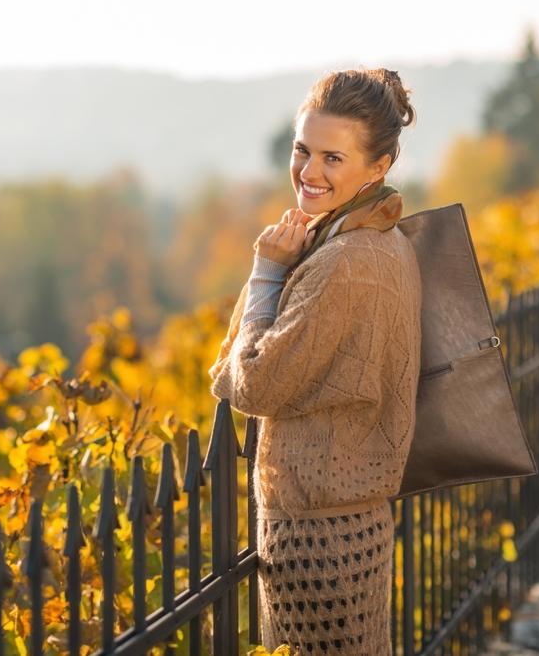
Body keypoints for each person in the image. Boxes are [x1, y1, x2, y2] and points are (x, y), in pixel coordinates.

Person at [208, 68, 422, 654]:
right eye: (303, 150)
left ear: (377, 167)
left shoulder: (343, 261)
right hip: (353, 526)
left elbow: (250, 383)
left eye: (334, 158)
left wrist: (268, 270)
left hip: (316, 538)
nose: (309, 172)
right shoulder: (383, 238)